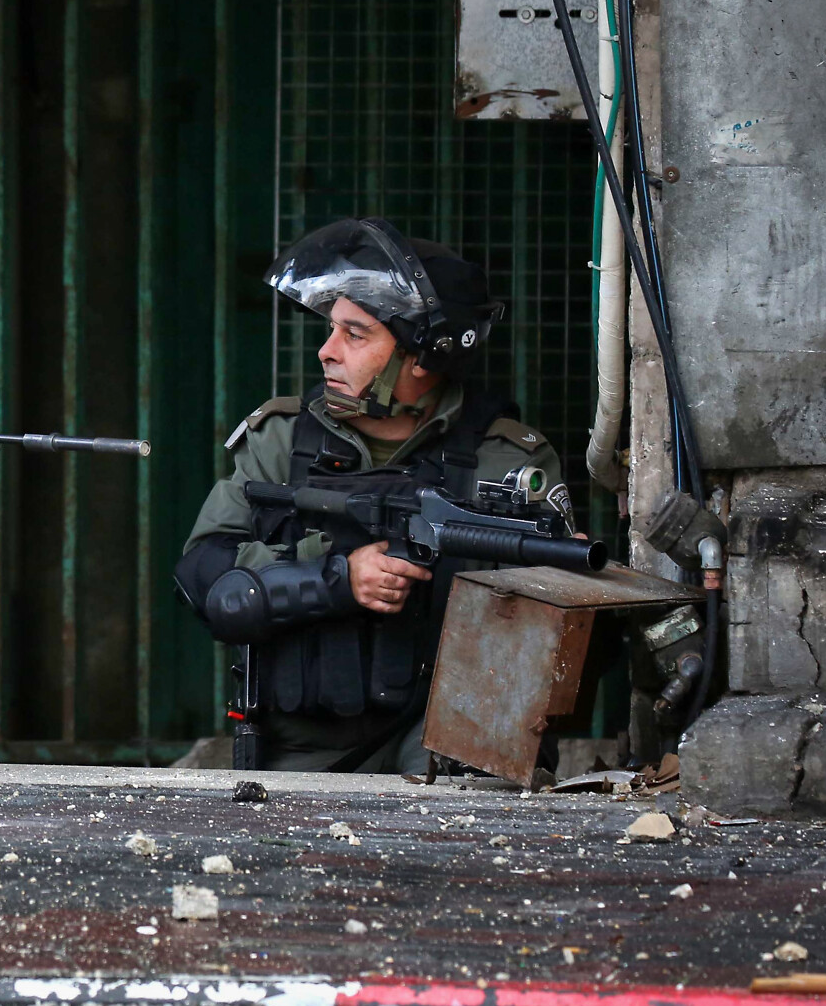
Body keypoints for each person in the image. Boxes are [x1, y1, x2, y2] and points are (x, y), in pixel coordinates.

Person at [174, 218, 572, 774]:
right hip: (303, 749)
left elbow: (556, 642)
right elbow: (203, 577)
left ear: (423, 356)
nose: (326, 352)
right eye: (332, 329)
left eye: (355, 335)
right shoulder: (283, 441)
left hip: (454, 740)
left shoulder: (506, 461)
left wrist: (558, 585)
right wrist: (338, 579)